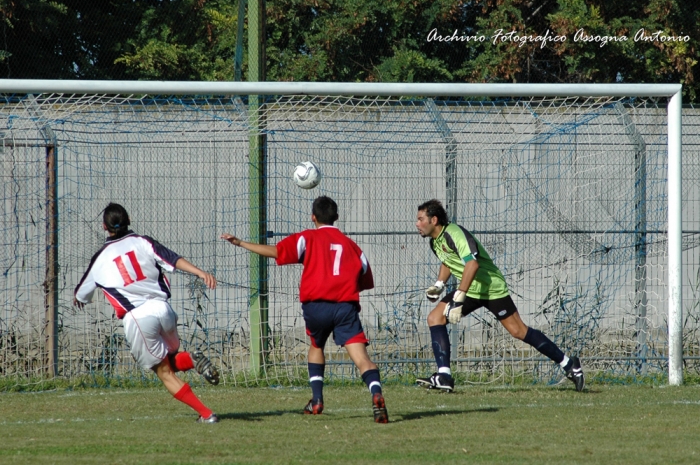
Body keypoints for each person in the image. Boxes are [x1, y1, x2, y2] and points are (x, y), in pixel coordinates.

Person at [220, 196, 389, 423]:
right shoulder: (352, 246)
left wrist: (240, 242)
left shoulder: (307, 238)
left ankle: (317, 400)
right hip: (345, 307)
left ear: (313, 217)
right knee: (362, 358)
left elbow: (277, 252)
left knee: (316, 345)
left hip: (316, 306)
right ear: (337, 218)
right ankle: (375, 393)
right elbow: (366, 279)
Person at [415, 199, 584, 392]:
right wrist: (439, 284)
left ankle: (570, 365)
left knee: (518, 331)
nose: (417, 224)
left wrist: (458, 299)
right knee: (435, 318)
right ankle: (444, 376)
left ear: (434, 220)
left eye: (421, 219)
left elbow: (472, 264)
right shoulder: (435, 242)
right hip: (470, 287)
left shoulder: (454, 233)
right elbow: (448, 260)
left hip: (491, 287)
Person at [74, 203, 221, 423]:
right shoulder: (144, 242)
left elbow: (81, 294)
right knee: (168, 362)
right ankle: (191, 359)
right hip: (164, 310)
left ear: (105, 227)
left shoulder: (100, 258)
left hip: (138, 318)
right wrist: (200, 273)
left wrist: (79, 299)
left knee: (164, 373)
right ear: (129, 219)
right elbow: (173, 259)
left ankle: (206, 414)